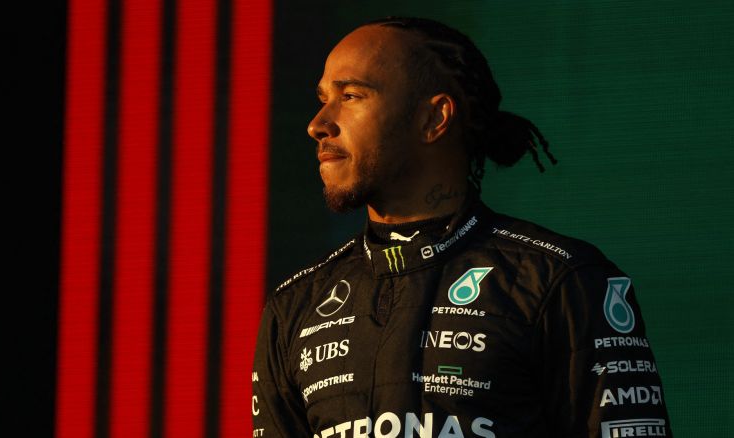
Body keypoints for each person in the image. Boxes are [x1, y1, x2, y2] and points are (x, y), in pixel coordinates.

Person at [252, 17, 671, 438]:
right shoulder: (294, 308)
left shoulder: (562, 281)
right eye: (324, 98)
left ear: (434, 118)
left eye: (351, 95)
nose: (318, 123)